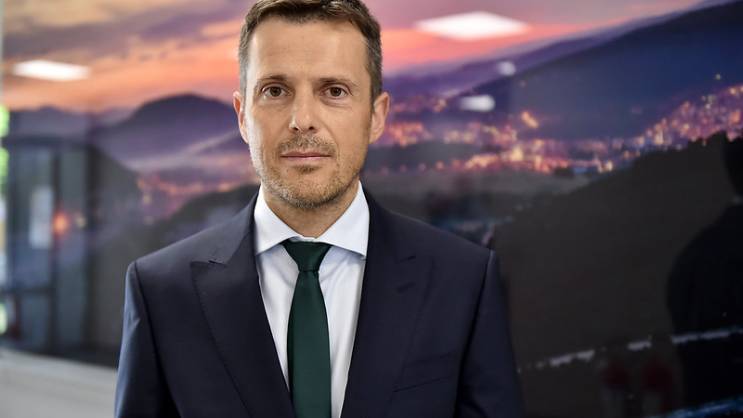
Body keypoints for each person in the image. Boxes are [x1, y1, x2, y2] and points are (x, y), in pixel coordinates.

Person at [114, 0, 524, 417]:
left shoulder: (463, 281)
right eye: (275, 91)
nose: (303, 119)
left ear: (376, 116)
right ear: (242, 116)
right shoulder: (161, 292)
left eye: (334, 91)